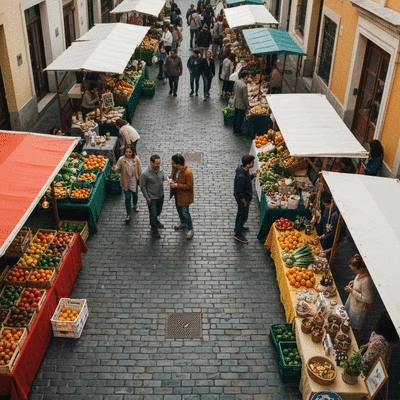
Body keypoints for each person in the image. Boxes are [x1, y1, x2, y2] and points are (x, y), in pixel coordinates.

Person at [344, 254, 374, 335]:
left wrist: (352, 291)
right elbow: (359, 284)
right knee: (347, 319)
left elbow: (368, 299)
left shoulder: (366, 281)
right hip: (353, 302)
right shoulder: (361, 273)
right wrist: (354, 282)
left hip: (358, 308)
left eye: (354, 270)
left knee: (354, 327)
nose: (354, 272)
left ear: (361, 269)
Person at [112, 146, 142, 222]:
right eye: (126, 152)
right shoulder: (121, 160)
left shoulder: (136, 159)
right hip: (125, 181)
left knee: (135, 195)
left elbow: (140, 170)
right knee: (127, 198)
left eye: (130, 152)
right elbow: (118, 169)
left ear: (132, 152)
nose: (128, 153)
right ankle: (128, 214)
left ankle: (135, 205)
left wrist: (140, 179)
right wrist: (115, 169)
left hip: (134, 181)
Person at [233, 154, 259, 244]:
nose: (253, 164)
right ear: (248, 164)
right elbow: (239, 193)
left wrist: (253, 175)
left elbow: (247, 180)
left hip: (243, 198)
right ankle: (238, 234)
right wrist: (244, 202)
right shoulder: (241, 176)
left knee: (240, 213)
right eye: (252, 163)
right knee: (243, 216)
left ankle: (238, 227)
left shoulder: (243, 170)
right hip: (243, 199)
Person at [168, 154, 194, 240]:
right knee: (179, 210)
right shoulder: (175, 169)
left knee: (185, 212)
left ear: (178, 164)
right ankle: (183, 223)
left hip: (184, 196)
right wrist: (170, 179)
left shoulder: (188, 173)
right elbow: (173, 177)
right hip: (177, 194)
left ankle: (190, 228)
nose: (172, 165)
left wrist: (177, 185)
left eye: (173, 163)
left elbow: (189, 186)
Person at [140, 154, 165, 239]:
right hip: (152, 198)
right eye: (156, 164)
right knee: (153, 214)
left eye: (159, 163)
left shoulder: (160, 169)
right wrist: (147, 197)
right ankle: (154, 230)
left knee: (158, 211)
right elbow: (142, 186)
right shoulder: (145, 174)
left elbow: (162, 177)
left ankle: (156, 221)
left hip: (161, 195)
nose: (158, 165)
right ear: (151, 162)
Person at [232, 69, 250, 135]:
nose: (248, 77)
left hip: (236, 102)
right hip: (241, 104)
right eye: (247, 76)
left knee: (236, 116)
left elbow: (234, 89)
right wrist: (248, 106)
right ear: (245, 76)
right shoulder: (244, 86)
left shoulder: (237, 81)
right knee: (240, 118)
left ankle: (234, 129)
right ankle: (238, 131)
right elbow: (245, 98)